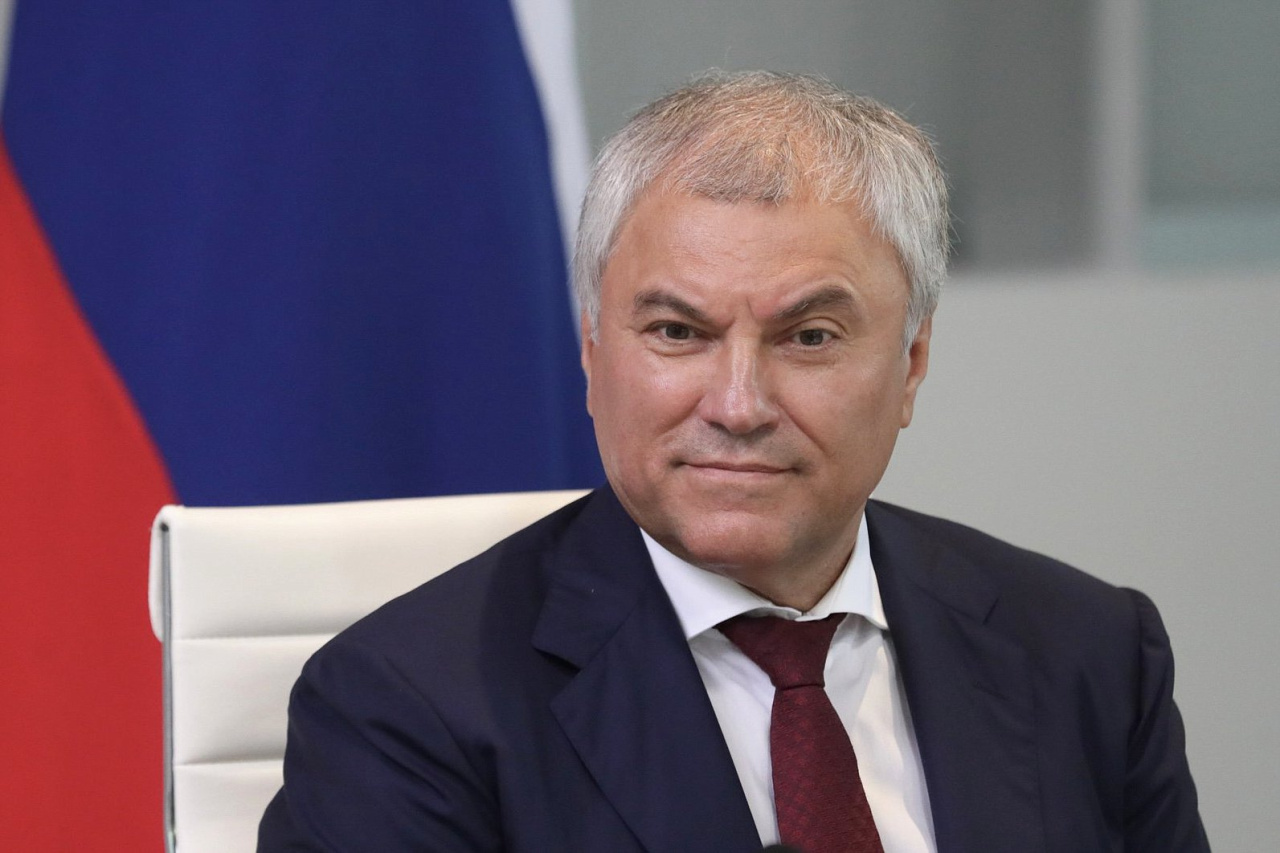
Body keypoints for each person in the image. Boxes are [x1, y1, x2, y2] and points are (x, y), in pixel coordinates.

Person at [259, 71, 1208, 852]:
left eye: (810, 336)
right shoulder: (404, 707)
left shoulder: (1087, 651)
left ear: (912, 363)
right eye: (678, 332)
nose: (738, 405)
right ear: (591, 352)